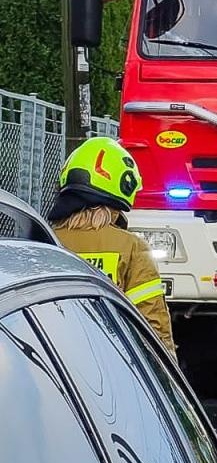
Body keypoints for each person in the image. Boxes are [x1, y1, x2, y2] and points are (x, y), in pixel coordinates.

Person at [47, 137, 176, 353]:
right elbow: (153, 330)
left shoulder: (44, 242)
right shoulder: (132, 248)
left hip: (52, 359)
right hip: (112, 362)